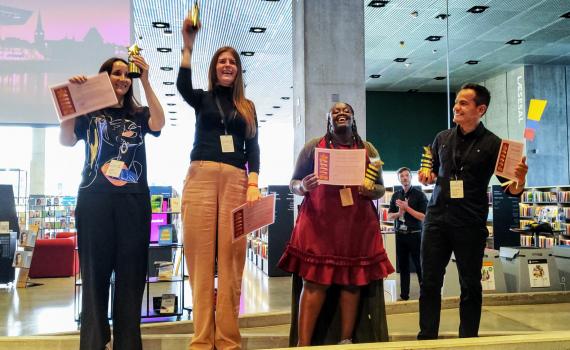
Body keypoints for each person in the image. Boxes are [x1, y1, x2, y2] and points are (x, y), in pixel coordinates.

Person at [59, 55, 164, 350]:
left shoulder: (139, 113)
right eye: (115, 73)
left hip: (134, 202)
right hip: (94, 201)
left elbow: (159, 122)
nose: (122, 78)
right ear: (103, 77)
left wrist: (145, 78)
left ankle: (127, 344)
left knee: (131, 279)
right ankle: (94, 342)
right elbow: (66, 140)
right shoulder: (89, 112)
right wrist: (72, 97)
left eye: (125, 74)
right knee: (95, 277)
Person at [278, 102, 394, 346]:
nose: (341, 114)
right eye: (335, 112)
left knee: (351, 282)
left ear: (353, 118)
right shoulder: (313, 147)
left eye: (346, 111)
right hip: (319, 225)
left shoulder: (368, 148)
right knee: (315, 281)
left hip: (356, 226)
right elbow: (293, 183)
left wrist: (371, 190)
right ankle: (304, 344)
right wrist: (303, 186)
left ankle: (346, 340)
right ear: (328, 120)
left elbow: (382, 188)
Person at [417, 83, 528, 339]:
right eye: (456, 102)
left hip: (469, 223)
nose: (456, 107)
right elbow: (431, 172)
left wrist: (520, 181)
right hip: (436, 219)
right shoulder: (442, 138)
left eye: (464, 103)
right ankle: (427, 337)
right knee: (430, 281)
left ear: (481, 109)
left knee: (470, 284)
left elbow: (511, 188)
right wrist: (426, 175)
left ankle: (468, 339)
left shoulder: (495, 145)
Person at [177, 18, 261, 350]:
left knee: (232, 261)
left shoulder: (247, 107)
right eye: (222, 62)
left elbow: (253, 148)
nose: (227, 66)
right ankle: (201, 340)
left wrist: (253, 182)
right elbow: (182, 86)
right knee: (199, 261)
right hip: (200, 177)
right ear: (214, 69)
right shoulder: (202, 99)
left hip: (237, 181)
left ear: (239, 71)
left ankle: (227, 340)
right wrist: (188, 45)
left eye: (233, 63)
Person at [387, 167, 427, 301]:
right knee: (403, 267)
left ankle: (425, 294)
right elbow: (389, 215)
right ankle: (404, 296)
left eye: (407, 176)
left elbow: (424, 217)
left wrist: (407, 208)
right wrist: (399, 213)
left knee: (419, 265)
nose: (404, 178)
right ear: (399, 179)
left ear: (411, 177)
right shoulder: (395, 195)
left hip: (415, 235)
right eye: (402, 176)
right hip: (400, 235)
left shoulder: (419, 195)